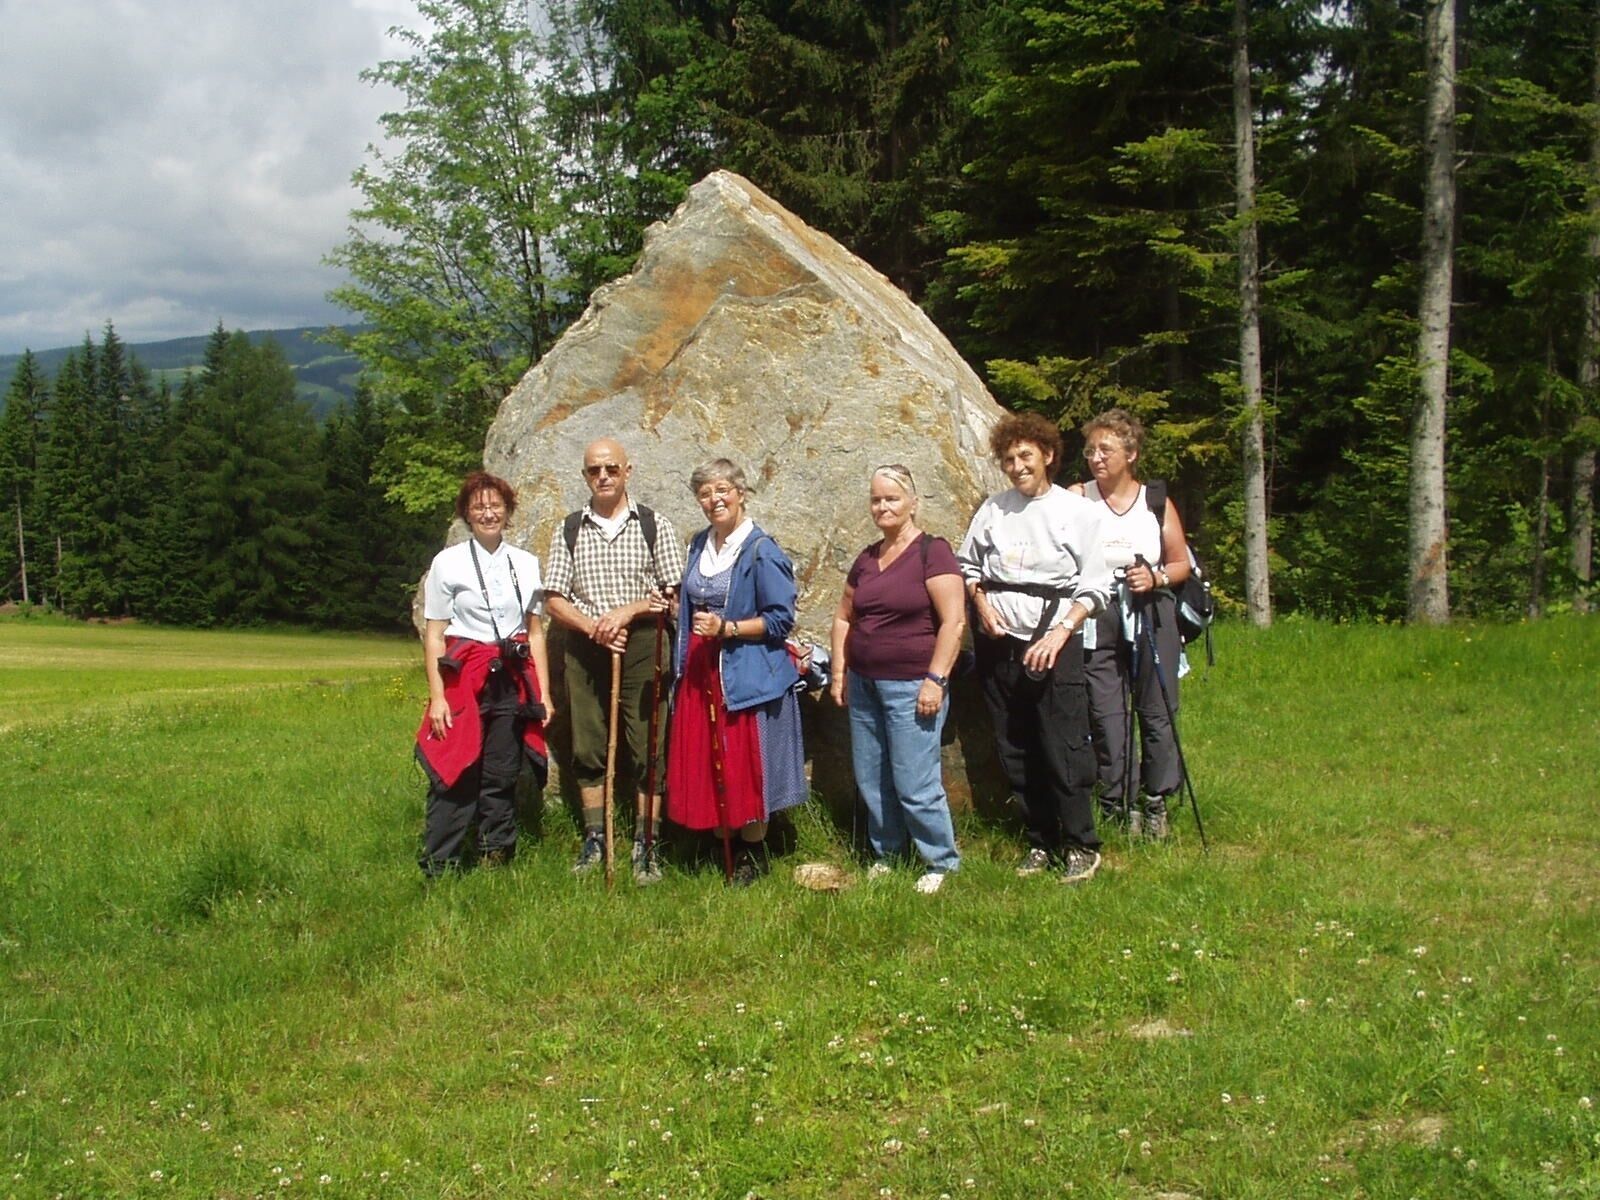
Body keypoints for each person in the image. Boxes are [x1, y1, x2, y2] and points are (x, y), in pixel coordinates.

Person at [957, 413, 1110, 883]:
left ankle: (1080, 842)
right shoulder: (994, 509)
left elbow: (1097, 586)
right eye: (1009, 458)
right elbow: (969, 565)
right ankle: (1040, 839)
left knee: (1061, 742)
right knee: (1015, 743)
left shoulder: (1078, 513)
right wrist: (982, 607)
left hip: (1054, 638)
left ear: (1047, 455)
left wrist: (1060, 633)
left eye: (1026, 455)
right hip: (998, 641)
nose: (1017, 466)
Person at [544, 438, 686, 884]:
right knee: (587, 743)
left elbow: (671, 594)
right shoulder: (570, 529)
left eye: (610, 469)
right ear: (585, 476)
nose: (602, 477)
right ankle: (595, 839)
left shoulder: (653, 525)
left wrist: (628, 612)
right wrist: (593, 627)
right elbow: (553, 599)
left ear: (628, 470)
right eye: (593, 471)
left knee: (649, 745)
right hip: (585, 646)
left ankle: (647, 845)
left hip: (644, 644)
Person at [666, 458, 807, 885]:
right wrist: (674, 610)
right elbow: (693, 603)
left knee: (746, 766)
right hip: (701, 672)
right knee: (712, 761)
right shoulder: (698, 544)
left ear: (741, 493)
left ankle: (752, 851)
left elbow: (782, 620)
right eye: (706, 493)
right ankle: (717, 840)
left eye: (722, 489)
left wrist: (727, 628)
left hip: (746, 676)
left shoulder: (762, 551)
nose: (715, 500)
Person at [828, 465, 965, 894]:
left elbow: (954, 623)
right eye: (876, 499)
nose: (882, 506)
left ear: (912, 502)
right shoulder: (867, 559)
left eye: (891, 498)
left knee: (914, 780)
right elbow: (842, 618)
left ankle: (940, 861)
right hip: (865, 683)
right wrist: (839, 670)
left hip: (913, 685)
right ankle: (887, 853)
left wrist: (935, 680)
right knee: (872, 777)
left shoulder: (933, 552)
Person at [415, 471, 552, 877]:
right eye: (479, 507)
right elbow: (435, 634)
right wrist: (438, 697)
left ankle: (497, 853)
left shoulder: (526, 564)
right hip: (465, 676)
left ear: (507, 512)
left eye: (495, 506)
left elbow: (536, 633)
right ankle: (441, 862)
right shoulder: (448, 563)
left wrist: (543, 695)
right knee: (455, 766)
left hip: (509, 677)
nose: (488, 513)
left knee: (501, 769)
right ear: (467, 514)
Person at [1072, 408, 1191, 839]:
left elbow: (1181, 564)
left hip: (1150, 610)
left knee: (1157, 710)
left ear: (1131, 453)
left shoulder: (1155, 501)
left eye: (1106, 449)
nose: (1096, 457)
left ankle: (1156, 799)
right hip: (1097, 612)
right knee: (1104, 712)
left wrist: (1155, 576)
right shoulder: (1078, 497)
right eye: (1090, 450)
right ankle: (1115, 800)